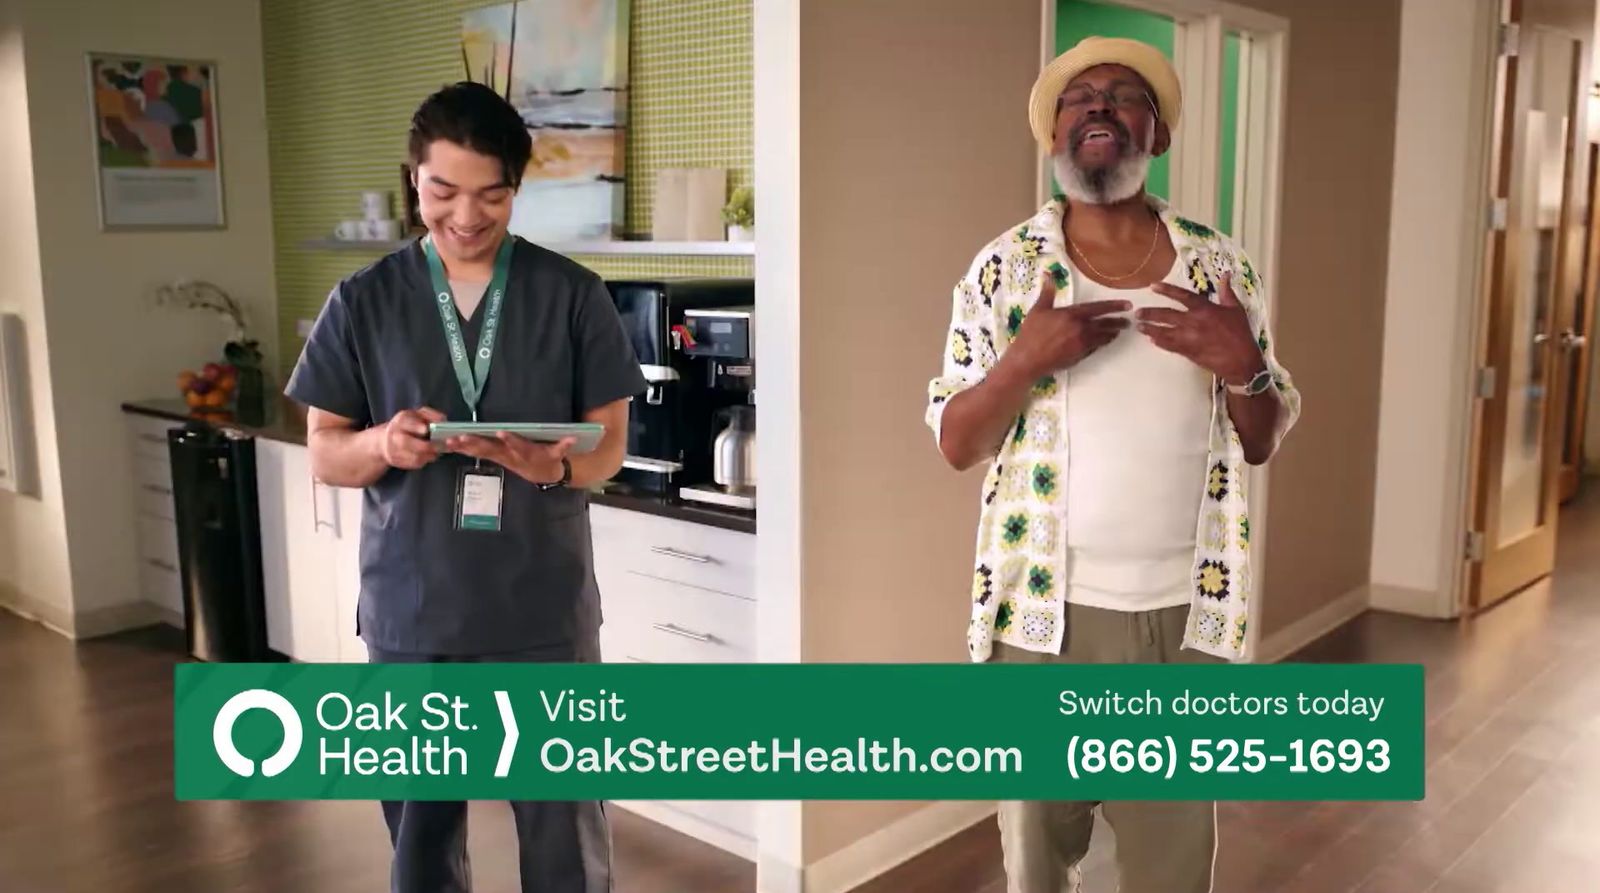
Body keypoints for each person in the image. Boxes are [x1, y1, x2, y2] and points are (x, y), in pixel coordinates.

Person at [925, 37, 1302, 893]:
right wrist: (1022, 362)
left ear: (1156, 134)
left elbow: (1262, 436)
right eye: (1076, 97)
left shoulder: (1222, 267)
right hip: (1039, 625)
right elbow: (957, 443)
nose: (1096, 106)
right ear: (1054, 135)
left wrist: (1242, 363)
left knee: (1172, 872)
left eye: (1123, 95)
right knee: (1037, 868)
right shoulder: (1005, 270)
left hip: (1187, 619)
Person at [286, 81, 645, 893]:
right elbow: (325, 452)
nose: (466, 216)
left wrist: (552, 464)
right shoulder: (363, 300)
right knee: (421, 834)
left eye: (491, 195)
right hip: (415, 612)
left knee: (565, 834)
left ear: (517, 189)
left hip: (541, 611)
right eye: (443, 191)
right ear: (415, 177)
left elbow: (610, 446)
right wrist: (383, 442)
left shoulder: (572, 295)